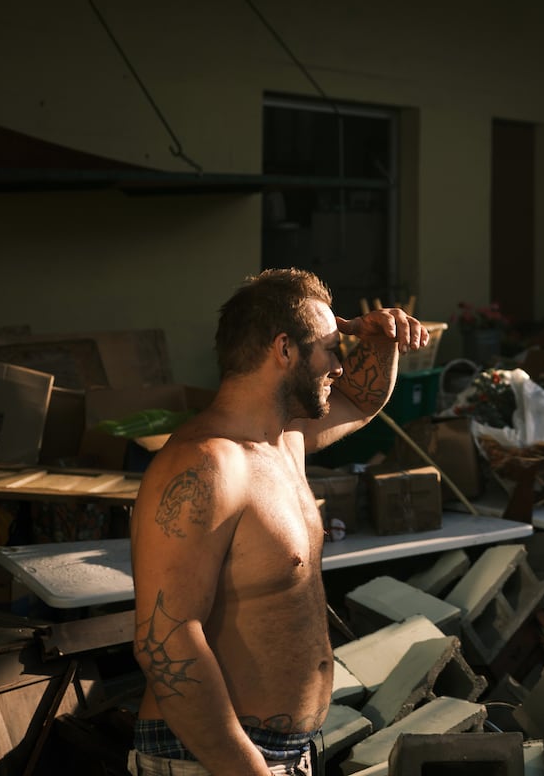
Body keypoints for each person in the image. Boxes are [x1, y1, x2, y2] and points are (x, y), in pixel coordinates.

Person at [129, 268, 429, 775]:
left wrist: (378, 340)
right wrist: (247, 769)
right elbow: (167, 639)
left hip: (284, 755)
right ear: (284, 349)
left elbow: (362, 400)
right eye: (331, 349)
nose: (340, 363)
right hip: (211, 758)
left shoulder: (285, 441)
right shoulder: (206, 465)